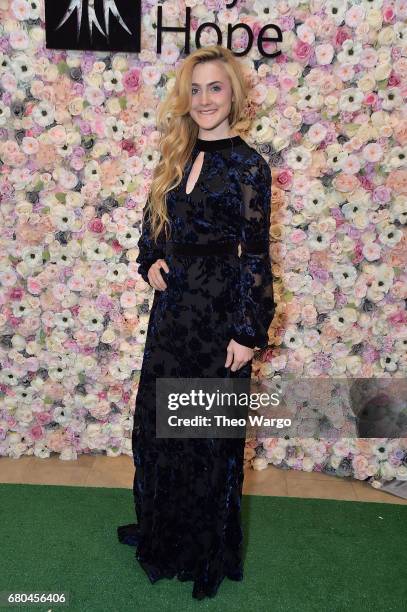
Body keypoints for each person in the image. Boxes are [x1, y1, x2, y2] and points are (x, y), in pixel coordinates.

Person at [117, 45, 276, 600]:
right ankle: (164, 534)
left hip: (218, 318)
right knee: (159, 431)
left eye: (216, 87)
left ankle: (203, 549)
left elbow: (255, 256)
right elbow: (153, 229)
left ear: (234, 94)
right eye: (197, 88)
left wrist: (248, 330)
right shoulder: (175, 156)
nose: (205, 99)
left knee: (208, 438)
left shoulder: (249, 165)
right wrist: (150, 262)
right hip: (172, 316)